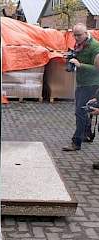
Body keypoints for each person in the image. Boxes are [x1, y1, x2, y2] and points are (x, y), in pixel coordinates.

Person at [62, 23, 99, 152]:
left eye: (79, 35)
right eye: (74, 35)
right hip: (82, 83)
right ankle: (87, 134)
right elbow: (78, 56)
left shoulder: (95, 46)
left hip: (91, 84)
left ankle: (76, 142)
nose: (76, 38)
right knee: (85, 110)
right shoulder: (80, 45)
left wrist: (80, 64)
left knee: (80, 112)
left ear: (86, 33)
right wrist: (71, 57)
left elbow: (97, 68)